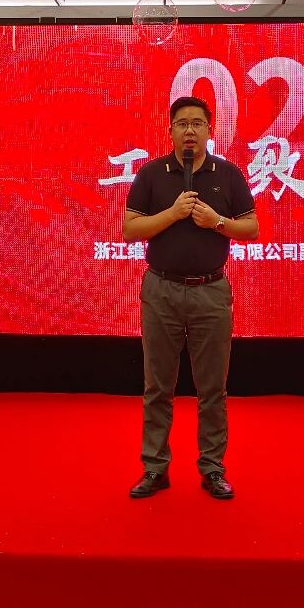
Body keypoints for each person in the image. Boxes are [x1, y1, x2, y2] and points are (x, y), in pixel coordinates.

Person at [122, 96, 259, 499]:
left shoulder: (227, 175)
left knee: (212, 389)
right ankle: (155, 468)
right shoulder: (152, 174)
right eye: (181, 123)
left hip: (210, 292)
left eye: (197, 123)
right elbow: (130, 229)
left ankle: (213, 468)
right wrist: (174, 213)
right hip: (161, 291)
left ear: (209, 131)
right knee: (157, 388)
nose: (189, 131)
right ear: (170, 131)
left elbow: (251, 228)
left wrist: (216, 222)